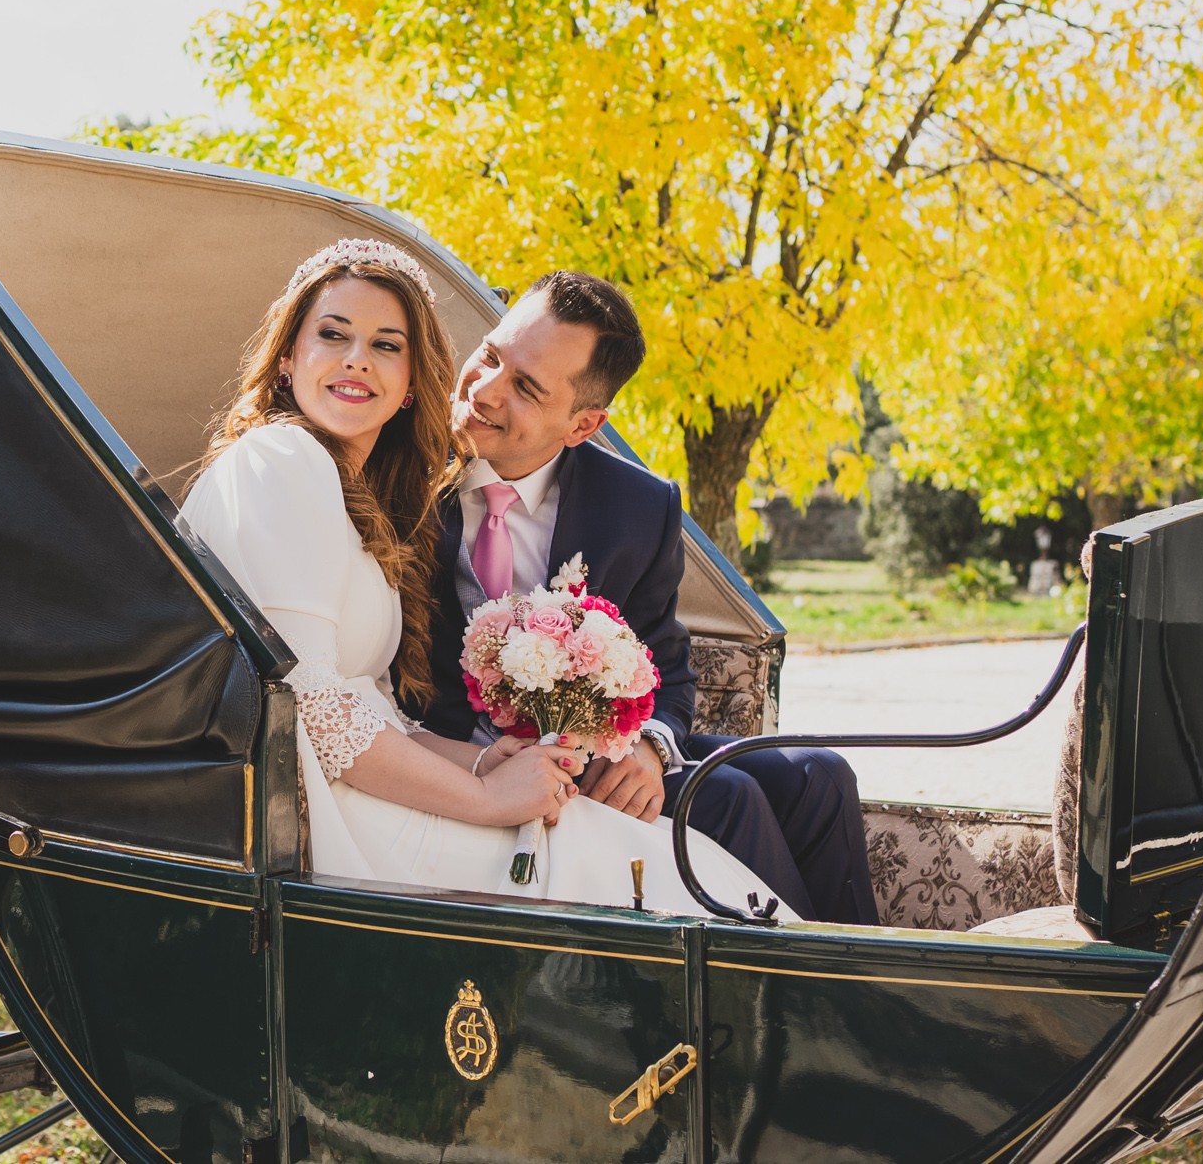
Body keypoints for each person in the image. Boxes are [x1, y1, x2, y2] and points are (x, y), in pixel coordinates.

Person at [180, 238, 788, 914]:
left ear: (413, 380)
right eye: (332, 334)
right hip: (323, 815)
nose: (357, 359)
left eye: (387, 345)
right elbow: (314, 707)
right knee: (650, 863)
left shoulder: (349, 487)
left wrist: (482, 764)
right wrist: (485, 795)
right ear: (288, 354)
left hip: (394, 775)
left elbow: (372, 704)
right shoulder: (280, 460)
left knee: (794, 782)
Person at [411, 270, 878, 924]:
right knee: (728, 799)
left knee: (819, 776)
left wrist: (650, 748)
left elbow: (667, 664)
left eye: (526, 386)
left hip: (594, 756)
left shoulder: (639, 506)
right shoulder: (403, 473)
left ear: (584, 425)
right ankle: (809, 1002)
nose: (483, 389)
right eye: (490, 354)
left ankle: (864, 975)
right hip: (477, 754)